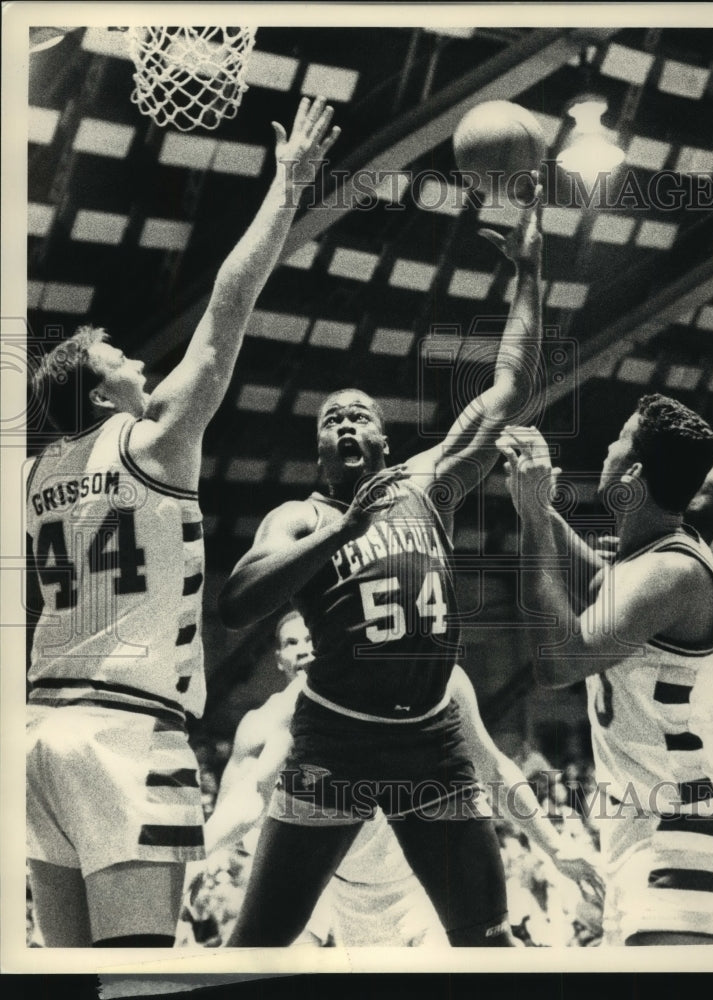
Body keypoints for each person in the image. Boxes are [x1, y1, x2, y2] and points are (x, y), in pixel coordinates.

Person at [24, 97, 340, 948]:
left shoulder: (29, 478)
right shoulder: (155, 442)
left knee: (69, 977)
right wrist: (288, 187)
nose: (139, 362)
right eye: (120, 361)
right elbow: (227, 307)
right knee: (137, 975)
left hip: (37, 732)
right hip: (125, 732)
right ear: (101, 398)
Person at [218, 184, 552, 947]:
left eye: (359, 414)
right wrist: (341, 533)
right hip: (335, 745)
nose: (345, 421)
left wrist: (530, 273)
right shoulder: (302, 517)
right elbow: (236, 604)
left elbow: (508, 389)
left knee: (486, 938)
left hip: (431, 744)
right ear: (318, 449)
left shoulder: (427, 483)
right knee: (258, 944)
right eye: (330, 417)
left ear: (382, 440)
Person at [201, 615, 602, 947]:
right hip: (344, 892)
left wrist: (555, 846)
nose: (306, 650)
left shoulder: (439, 678)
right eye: (293, 642)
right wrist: (191, 851)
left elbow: (494, 769)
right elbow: (249, 799)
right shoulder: (289, 710)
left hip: (421, 887)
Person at [495, 394, 713, 946]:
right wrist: (536, 503)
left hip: (679, 846)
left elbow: (557, 662)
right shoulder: (652, 561)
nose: (607, 449)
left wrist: (534, 518)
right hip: (643, 841)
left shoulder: (670, 572)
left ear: (633, 475)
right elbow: (598, 584)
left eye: (619, 440)